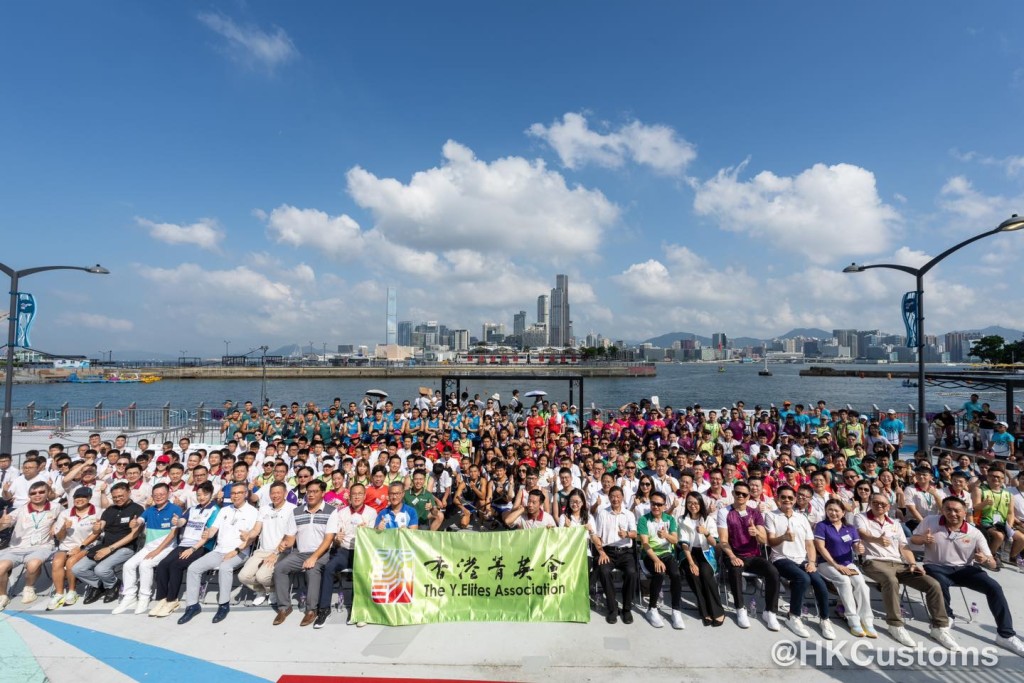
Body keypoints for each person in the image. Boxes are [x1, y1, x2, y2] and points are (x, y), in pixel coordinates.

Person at [912, 497, 1024, 656]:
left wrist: (985, 560)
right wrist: (922, 539)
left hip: (964, 569)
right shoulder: (930, 521)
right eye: (948, 509)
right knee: (939, 582)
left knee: (994, 587)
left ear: (965, 512)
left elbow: (992, 563)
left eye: (957, 510)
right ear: (942, 510)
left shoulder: (974, 532)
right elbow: (913, 539)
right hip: (936, 566)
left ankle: (1005, 635)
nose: (952, 513)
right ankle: (946, 619)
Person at [855, 493, 958, 650]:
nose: (879, 506)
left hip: (899, 563)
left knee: (933, 584)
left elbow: (904, 546)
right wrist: (877, 540)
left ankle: (939, 627)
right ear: (870, 503)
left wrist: (912, 563)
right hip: (873, 561)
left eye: (883, 504)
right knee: (890, 580)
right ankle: (895, 624)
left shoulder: (895, 523)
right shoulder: (861, 517)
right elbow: (863, 534)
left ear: (889, 507)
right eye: (875, 502)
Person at [177, 482, 258, 624]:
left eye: (239, 493)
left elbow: (251, 538)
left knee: (225, 567)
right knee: (193, 568)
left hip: (240, 552)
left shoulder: (252, 512)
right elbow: (214, 529)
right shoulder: (224, 510)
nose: (236, 496)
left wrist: (235, 551)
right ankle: (192, 605)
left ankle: (223, 605)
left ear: (245, 494)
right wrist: (208, 533)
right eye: (233, 493)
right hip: (219, 550)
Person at [765, 485, 835, 640]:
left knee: (820, 583)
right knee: (803, 578)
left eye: (790, 497)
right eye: (783, 497)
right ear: (778, 499)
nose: (787, 500)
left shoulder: (802, 518)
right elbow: (770, 541)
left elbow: (810, 544)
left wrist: (812, 562)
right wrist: (783, 537)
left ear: (795, 499)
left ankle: (824, 619)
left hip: (802, 560)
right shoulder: (771, 516)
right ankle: (793, 616)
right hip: (780, 558)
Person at [148, 481, 220, 617]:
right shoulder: (193, 508)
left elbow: (207, 534)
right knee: (163, 565)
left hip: (201, 546)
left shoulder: (215, 510)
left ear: (211, 495)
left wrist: (192, 549)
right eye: (199, 494)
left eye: (205, 494)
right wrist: (177, 521)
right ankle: (162, 599)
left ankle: (172, 600)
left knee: (176, 566)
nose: (201, 497)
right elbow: (183, 521)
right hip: (184, 543)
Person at [272, 479, 337, 627]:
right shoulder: (297, 511)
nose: (311, 494)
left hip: (321, 553)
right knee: (280, 568)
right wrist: (284, 544)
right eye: (309, 492)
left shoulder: (331, 511)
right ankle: (284, 607)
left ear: (323, 493)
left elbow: (328, 540)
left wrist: (314, 557)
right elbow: (290, 537)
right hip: (300, 553)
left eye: (315, 491)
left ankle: (311, 610)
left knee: (312, 570)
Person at [718, 480, 781, 631]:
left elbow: (763, 539)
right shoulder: (724, 512)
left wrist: (756, 533)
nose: (740, 496)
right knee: (734, 570)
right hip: (733, 553)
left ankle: (770, 612)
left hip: (753, 555)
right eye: (737, 493)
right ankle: (741, 608)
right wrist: (732, 556)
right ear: (733, 494)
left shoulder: (755, 513)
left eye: (744, 494)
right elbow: (723, 540)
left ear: (748, 497)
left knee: (773, 572)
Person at [112, 482, 182, 615]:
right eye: (156, 495)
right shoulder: (150, 510)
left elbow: (173, 534)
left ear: (168, 494)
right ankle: (130, 596)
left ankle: (144, 597)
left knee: (145, 565)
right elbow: (139, 521)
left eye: (162, 494)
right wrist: (134, 523)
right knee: (128, 565)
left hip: (167, 547)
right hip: (149, 546)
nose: (159, 497)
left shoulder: (175, 509)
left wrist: (157, 551)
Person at [313, 482, 377, 628]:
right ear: (349, 496)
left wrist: (365, 532)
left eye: (360, 494)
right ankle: (324, 609)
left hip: (362, 551)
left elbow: (373, 538)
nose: (357, 497)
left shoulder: (372, 512)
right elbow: (335, 538)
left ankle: (356, 609)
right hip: (344, 550)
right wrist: (337, 539)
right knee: (329, 568)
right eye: (354, 494)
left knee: (360, 571)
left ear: (365, 496)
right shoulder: (340, 512)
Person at [75, 482, 145, 605]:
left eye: (121, 496)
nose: (118, 499)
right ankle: (101, 585)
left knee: (101, 569)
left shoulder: (138, 509)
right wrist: (96, 528)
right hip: (105, 545)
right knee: (77, 569)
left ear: (129, 492)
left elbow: (134, 534)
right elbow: (99, 527)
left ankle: (113, 585)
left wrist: (110, 549)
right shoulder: (109, 510)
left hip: (126, 547)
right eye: (115, 497)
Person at [814, 499, 876, 638]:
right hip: (826, 564)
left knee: (861, 584)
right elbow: (820, 547)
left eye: (836, 510)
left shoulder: (850, 528)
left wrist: (859, 549)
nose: (833, 513)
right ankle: (853, 620)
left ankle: (867, 620)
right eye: (830, 510)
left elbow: (856, 547)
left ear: (843, 513)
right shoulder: (822, 526)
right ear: (826, 511)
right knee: (844, 581)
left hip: (848, 563)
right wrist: (836, 565)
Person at [0, 481, 61, 609]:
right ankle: (3, 596)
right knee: (1, 567)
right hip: (17, 548)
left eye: (41, 492)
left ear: (47, 493)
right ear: (29, 495)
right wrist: (2, 523)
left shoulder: (56, 507)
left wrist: (56, 523)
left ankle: (29, 588)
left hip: (42, 546)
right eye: (33, 493)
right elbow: (4, 524)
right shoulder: (21, 510)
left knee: (33, 564)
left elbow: (65, 518)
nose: (37, 495)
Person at [238, 481, 296, 605]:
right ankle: (263, 590)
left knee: (262, 576)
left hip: (281, 552)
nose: (275, 495)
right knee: (243, 576)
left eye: (278, 493)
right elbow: (256, 530)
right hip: (262, 550)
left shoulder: (292, 509)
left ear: (285, 493)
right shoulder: (264, 509)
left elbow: (290, 536)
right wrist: (249, 534)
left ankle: (273, 590)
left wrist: (275, 553)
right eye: (272, 493)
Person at [637, 490, 685, 629]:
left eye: (659, 504)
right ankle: (652, 609)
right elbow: (645, 544)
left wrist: (665, 535)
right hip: (650, 555)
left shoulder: (669, 520)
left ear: (664, 506)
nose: (656, 507)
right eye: (653, 503)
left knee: (676, 575)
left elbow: (675, 540)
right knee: (659, 573)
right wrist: (656, 560)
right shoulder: (644, 520)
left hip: (666, 554)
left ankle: (676, 610)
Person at [47, 487, 100, 609]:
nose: (79, 499)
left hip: (88, 546)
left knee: (71, 562)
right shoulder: (65, 513)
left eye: (83, 497)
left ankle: (72, 591)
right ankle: (59, 593)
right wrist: (64, 528)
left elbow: (97, 534)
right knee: (57, 562)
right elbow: (59, 537)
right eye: (77, 497)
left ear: (89, 498)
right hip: (65, 546)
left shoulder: (97, 512)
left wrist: (80, 547)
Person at [676, 491, 724, 626]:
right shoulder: (681, 519)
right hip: (688, 553)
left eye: (696, 503)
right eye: (690, 502)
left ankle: (717, 611)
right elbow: (684, 544)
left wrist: (705, 532)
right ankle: (705, 611)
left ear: (700, 504)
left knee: (706, 573)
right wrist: (691, 563)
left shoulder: (708, 519)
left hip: (705, 553)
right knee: (694, 574)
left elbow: (714, 543)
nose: (693, 505)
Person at [593, 486, 637, 625]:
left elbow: (635, 534)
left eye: (618, 496)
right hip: (608, 552)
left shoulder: (629, 514)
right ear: (609, 497)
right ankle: (612, 609)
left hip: (625, 552)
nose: (615, 499)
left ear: (622, 497)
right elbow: (597, 536)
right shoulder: (602, 513)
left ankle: (626, 608)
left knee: (632, 573)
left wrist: (627, 534)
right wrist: (601, 552)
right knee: (604, 572)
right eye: (612, 496)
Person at [972, 464, 1024, 568]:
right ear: (988, 477)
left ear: (1003, 479)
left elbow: (1010, 513)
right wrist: (984, 503)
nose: (996, 479)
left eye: (999, 477)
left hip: (1001, 523)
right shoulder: (979, 490)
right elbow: (975, 507)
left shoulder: (1008, 494)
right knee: (999, 536)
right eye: (993, 476)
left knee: (1022, 538)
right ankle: (989, 557)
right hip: (984, 521)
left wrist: (1008, 527)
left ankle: (1011, 557)